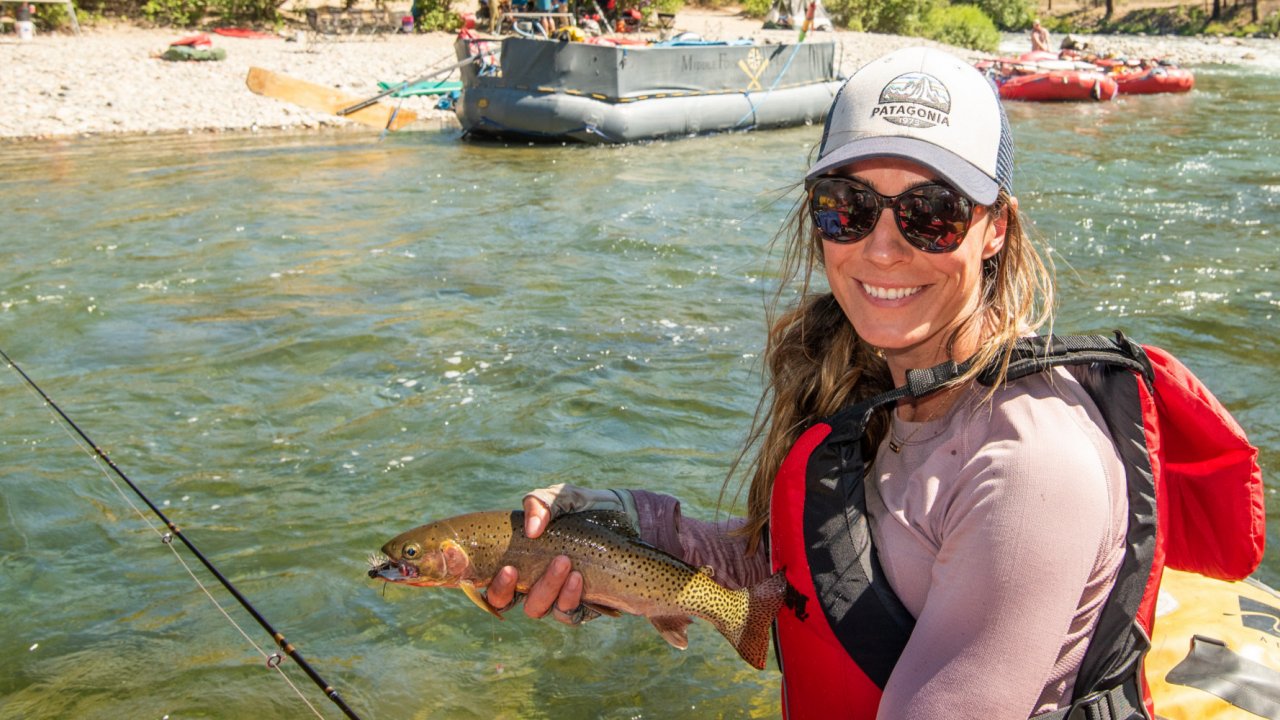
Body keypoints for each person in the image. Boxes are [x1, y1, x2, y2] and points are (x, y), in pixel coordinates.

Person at [484, 47, 1134, 719]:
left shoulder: (1029, 470)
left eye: (931, 212)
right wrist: (616, 531)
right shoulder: (878, 391)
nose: (882, 248)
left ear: (994, 228)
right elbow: (801, 577)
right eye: (847, 207)